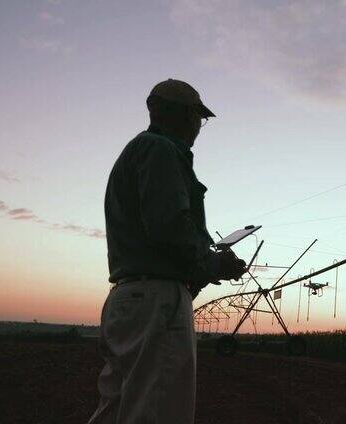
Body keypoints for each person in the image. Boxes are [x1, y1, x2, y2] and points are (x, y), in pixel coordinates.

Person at [88, 79, 246, 424]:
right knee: (158, 412)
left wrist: (205, 264)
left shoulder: (138, 151)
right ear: (183, 115)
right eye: (198, 118)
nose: (198, 128)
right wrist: (214, 263)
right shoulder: (159, 149)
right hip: (157, 301)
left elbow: (160, 229)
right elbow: (169, 228)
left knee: (117, 409)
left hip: (130, 299)